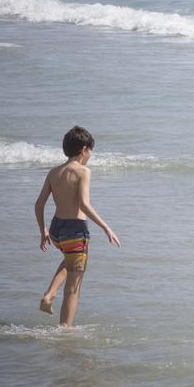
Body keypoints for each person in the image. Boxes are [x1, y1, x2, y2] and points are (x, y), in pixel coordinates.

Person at [34, 126, 121, 327]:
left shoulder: (53, 172)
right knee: (73, 290)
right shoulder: (83, 171)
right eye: (90, 150)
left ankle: (49, 294)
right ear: (84, 150)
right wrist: (106, 227)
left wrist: (43, 231)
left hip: (57, 231)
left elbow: (39, 205)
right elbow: (83, 205)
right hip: (75, 232)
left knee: (69, 261)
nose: (90, 155)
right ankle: (65, 333)